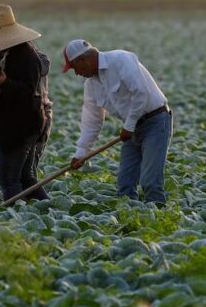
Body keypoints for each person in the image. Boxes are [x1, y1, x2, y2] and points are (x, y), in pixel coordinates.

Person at [63, 39, 172, 205]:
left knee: (150, 181)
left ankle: (160, 219)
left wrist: (128, 126)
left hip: (155, 122)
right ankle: (130, 223)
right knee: (125, 186)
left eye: (74, 68)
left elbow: (141, 93)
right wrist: (81, 153)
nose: (76, 73)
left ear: (82, 60)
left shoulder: (121, 59)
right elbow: (92, 121)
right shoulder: (91, 86)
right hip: (131, 130)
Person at [0, 4, 52, 203]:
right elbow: (10, 103)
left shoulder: (24, 57)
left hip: (21, 129)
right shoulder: (11, 54)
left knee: (8, 179)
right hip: (21, 125)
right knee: (27, 178)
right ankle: (44, 208)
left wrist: (5, 83)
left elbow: (28, 93)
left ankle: (16, 217)